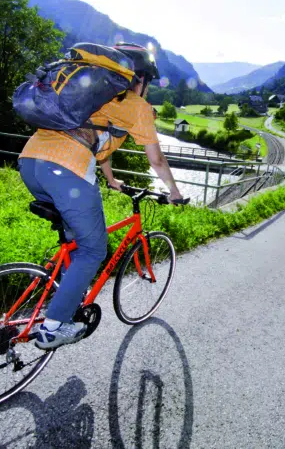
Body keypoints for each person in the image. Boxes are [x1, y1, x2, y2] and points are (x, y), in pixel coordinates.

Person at [17, 42, 183, 349]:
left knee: (77, 241)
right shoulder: (136, 106)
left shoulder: (94, 97)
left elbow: (98, 143)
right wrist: (174, 191)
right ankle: (54, 327)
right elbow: (156, 160)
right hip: (66, 170)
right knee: (94, 251)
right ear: (141, 79)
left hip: (30, 163)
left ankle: (67, 292)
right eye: (148, 82)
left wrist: (110, 178)